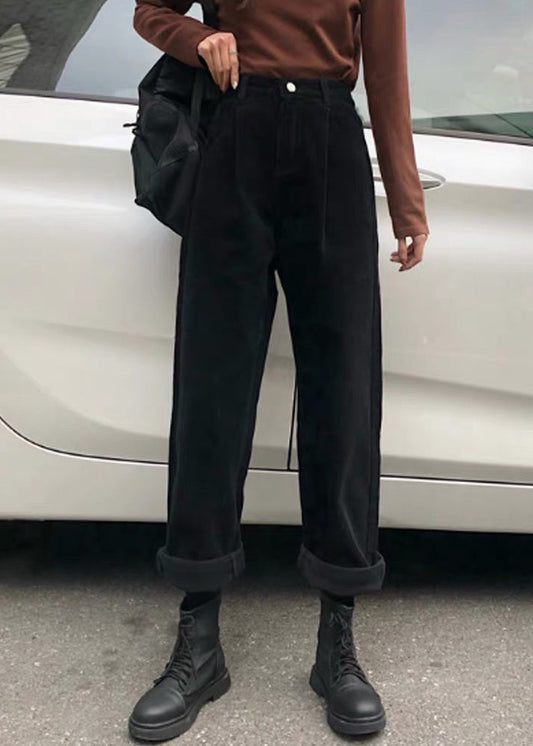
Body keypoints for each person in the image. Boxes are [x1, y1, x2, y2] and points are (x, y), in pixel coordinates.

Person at [129, 0, 429, 741]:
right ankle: (198, 639)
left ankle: (337, 642)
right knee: (211, 388)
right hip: (234, 135)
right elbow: (150, 11)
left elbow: (386, 72)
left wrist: (405, 199)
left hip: (331, 140)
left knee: (343, 391)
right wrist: (200, 38)